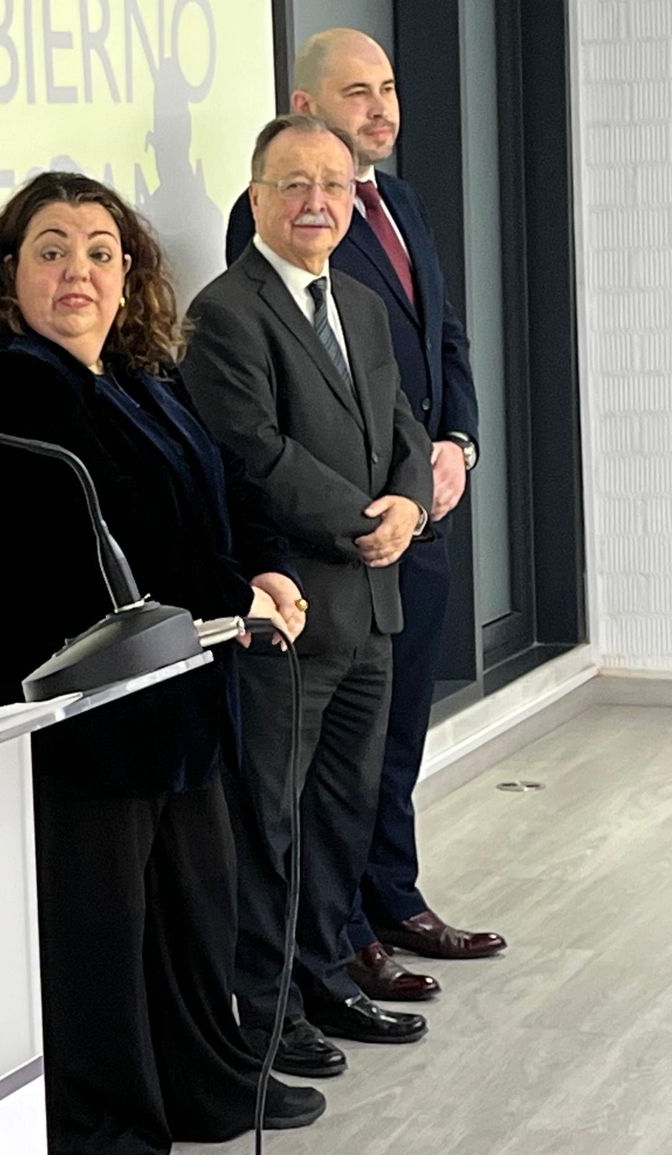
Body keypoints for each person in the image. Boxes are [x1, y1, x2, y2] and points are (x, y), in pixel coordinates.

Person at [0, 170, 322, 1155]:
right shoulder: (9, 383)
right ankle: (89, 1123)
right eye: (52, 250)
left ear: (129, 273)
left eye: (101, 252)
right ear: (7, 274)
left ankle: (202, 1081)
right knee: (95, 926)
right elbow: (108, 535)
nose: (79, 272)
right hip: (70, 710)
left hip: (169, 691)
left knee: (190, 907)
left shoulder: (141, 374)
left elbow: (223, 484)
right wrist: (235, 593)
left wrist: (267, 566)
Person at [225, 30, 505, 1003]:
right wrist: (373, 510)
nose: (382, 106)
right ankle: (337, 943)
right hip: (329, 553)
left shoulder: (400, 204)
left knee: (388, 744)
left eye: (387, 87)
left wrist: (450, 451)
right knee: (324, 775)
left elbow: (438, 342)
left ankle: (385, 902)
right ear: (304, 106)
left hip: (411, 521)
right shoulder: (273, 232)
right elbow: (274, 424)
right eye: (358, 91)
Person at [180, 115, 434, 1078]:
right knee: (270, 823)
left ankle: (328, 978)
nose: (316, 202)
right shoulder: (224, 313)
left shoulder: (359, 303)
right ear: (256, 198)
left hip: (372, 609)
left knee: (342, 814)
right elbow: (254, 453)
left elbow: (402, 425)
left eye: (332, 184)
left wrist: (409, 503)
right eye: (293, 184)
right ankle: (268, 1009)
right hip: (289, 614)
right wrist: (365, 521)